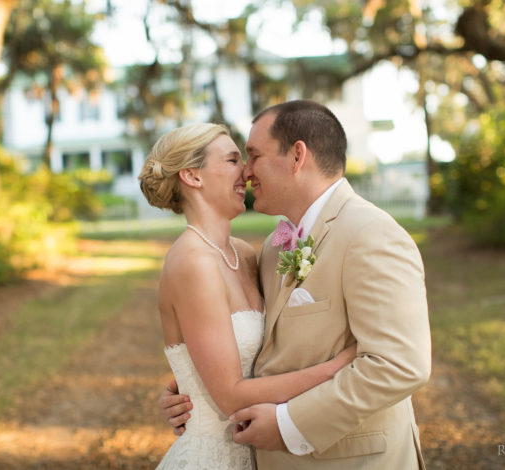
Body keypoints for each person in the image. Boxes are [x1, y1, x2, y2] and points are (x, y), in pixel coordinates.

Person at [159, 100, 432, 469]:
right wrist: (193, 387)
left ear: (297, 156)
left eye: (253, 155)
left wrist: (290, 425)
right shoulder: (271, 248)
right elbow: (257, 347)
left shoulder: (371, 234)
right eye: (238, 159)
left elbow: (400, 366)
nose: (247, 172)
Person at [138, 122, 358, 470]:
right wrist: (339, 367)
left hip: (264, 453)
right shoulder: (191, 263)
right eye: (231, 160)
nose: (246, 171)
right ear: (193, 176)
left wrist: (184, 386)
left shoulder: (249, 253)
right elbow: (229, 395)